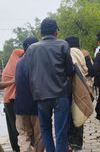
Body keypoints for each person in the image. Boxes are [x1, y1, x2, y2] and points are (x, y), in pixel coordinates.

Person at [23, 18, 75, 152]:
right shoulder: (63, 45)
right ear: (56, 31)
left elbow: (27, 72)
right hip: (60, 94)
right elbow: (70, 70)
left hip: (41, 96)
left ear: (41, 32)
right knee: (60, 132)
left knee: (45, 129)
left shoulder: (31, 49)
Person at [14, 37, 44, 152]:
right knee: (40, 136)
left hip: (20, 106)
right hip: (37, 105)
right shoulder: (39, 62)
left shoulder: (19, 63)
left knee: (23, 135)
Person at [65, 35, 90, 152]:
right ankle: (78, 144)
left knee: (71, 115)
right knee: (79, 114)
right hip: (83, 89)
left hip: (72, 88)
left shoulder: (70, 54)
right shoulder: (82, 54)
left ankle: (71, 144)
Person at [2, 48, 24, 152]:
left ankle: (16, 148)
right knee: (16, 127)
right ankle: (18, 148)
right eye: (21, 56)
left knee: (12, 127)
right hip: (12, 100)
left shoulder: (8, 68)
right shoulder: (16, 67)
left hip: (7, 101)